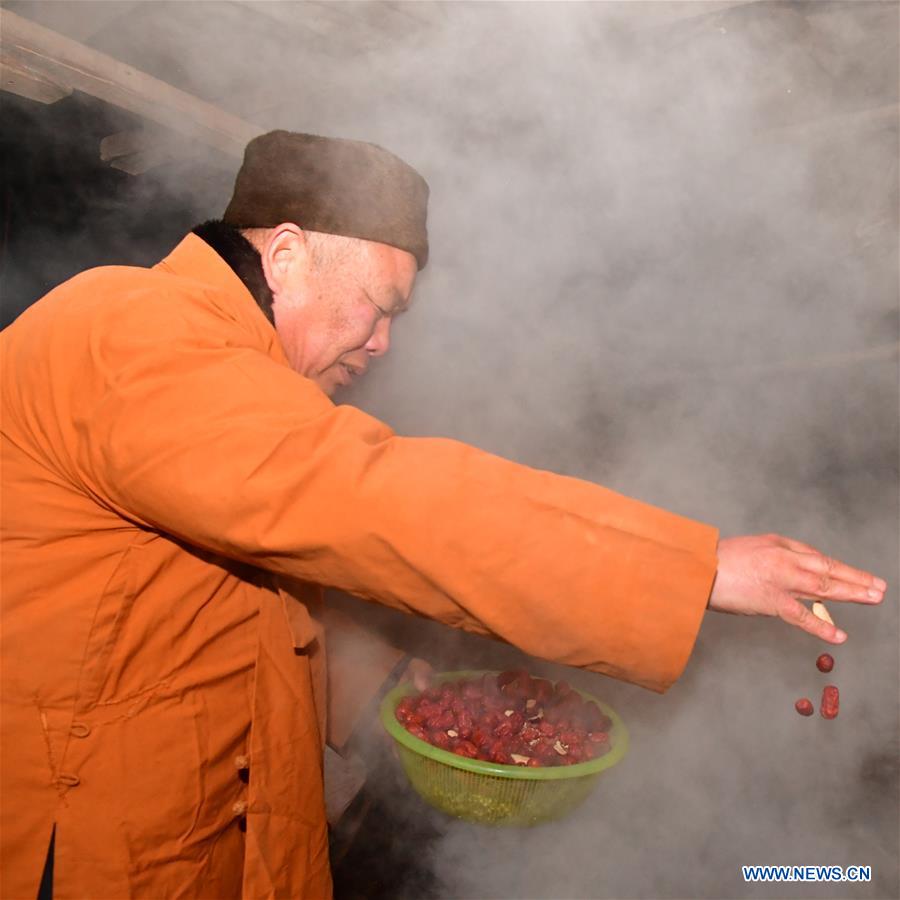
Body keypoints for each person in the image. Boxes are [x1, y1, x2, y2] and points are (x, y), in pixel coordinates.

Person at [0, 130, 885, 900]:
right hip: (76, 854)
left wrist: (381, 685)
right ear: (285, 257)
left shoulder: (234, 387)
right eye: (380, 306)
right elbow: (370, 498)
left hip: (189, 844)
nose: (383, 343)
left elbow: (222, 616)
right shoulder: (134, 326)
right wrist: (695, 568)